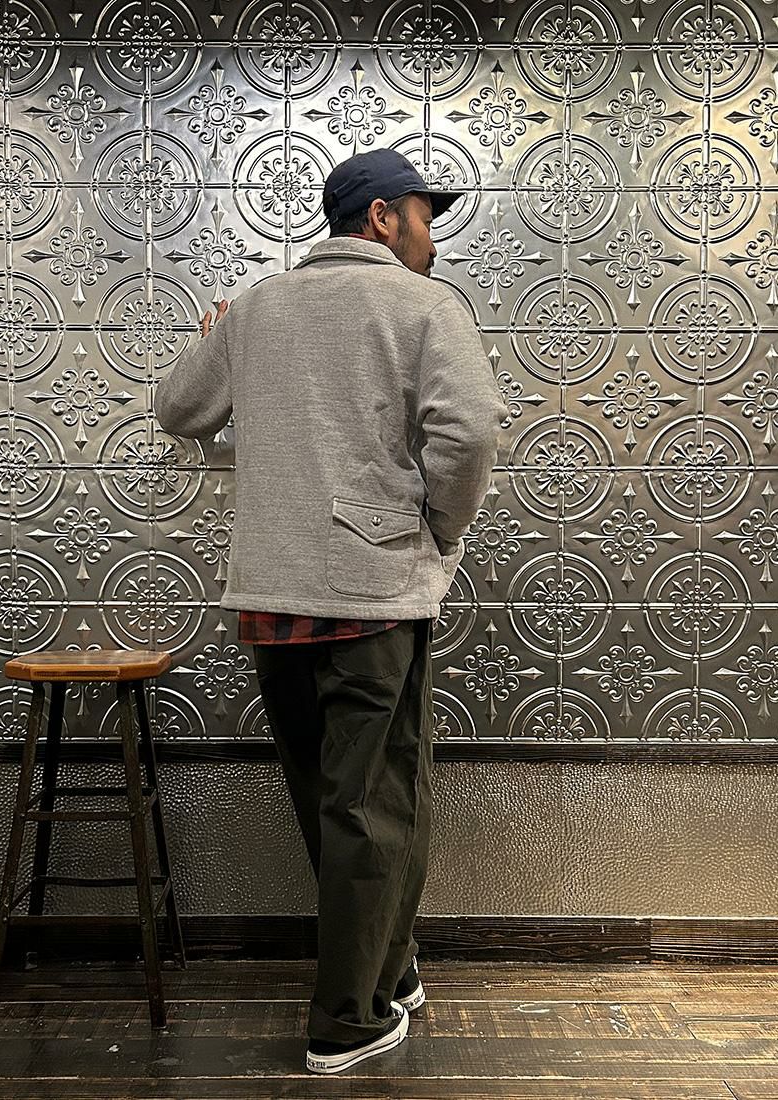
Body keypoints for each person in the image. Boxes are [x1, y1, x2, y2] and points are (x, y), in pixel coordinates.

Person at [154, 148, 507, 1074]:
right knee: (376, 803)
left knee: (332, 801)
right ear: (382, 217)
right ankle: (347, 1019)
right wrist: (437, 528)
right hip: (373, 592)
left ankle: (393, 964)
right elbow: (471, 431)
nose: (433, 236)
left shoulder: (256, 306)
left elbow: (179, 410)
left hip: (271, 596)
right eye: (425, 215)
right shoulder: (426, 305)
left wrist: (214, 337)